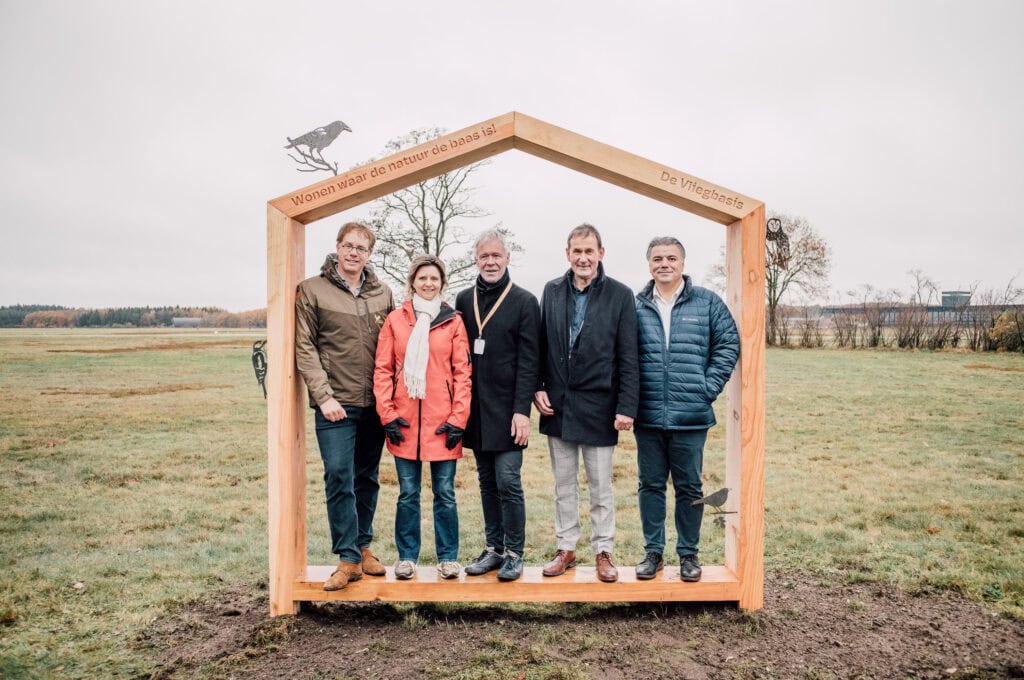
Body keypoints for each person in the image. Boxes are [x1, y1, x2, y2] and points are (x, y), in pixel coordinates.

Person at [533, 224, 639, 583]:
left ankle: (603, 551)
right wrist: (538, 386)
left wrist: (626, 407)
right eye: (576, 251)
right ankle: (566, 548)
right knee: (563, 486)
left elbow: (629, 357)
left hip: (600, 407)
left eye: (589, 251)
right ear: (567, 254)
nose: (582, 258)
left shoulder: (621, 295)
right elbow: (540, 346)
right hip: (558, 406)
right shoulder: (550, 291)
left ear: (601, 253)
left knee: (600, 487)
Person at [294, 221, 395, 591]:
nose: (354, 253)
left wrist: (391, 396)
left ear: (370, 253)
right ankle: (347, 558)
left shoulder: (383, 293)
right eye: (348, 245)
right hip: (335, 405)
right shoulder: (312, 290)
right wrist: (323, 396)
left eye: (362, 248)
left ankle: (364, 547)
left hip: (375, 405)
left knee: (367, 478)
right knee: (339, 475)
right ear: (337, 247)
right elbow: (304, 347)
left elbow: (393, 345)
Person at [633, 236, 739, 582]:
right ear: (649, 264)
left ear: (682, 262)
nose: (664, 264)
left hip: (690, 416)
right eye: (658, 258)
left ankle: (689, 555)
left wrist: (706, 389)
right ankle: (653, 553)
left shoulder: (707, 303)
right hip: (647, 414)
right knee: (650, 485)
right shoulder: (634, 306)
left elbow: (728, 343)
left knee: (690, 488)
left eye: (671, 258)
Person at [373, 255, 472, 580]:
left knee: (444, 492)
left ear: (442, 284)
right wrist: (387, 414)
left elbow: (462, 373)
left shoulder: (453, 321)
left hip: (443, 423)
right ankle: (407, 557)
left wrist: (459, 419)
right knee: (407, 493)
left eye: (434, 279)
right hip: (404, 422)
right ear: (412, 282)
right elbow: (383, 369)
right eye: (422, 278)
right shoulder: (396, 320)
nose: (428, 284)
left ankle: (447, 558)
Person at [455, 230, 541, 582]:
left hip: (509, 410)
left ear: (507, 258)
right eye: (483, 257)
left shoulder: (524, 301)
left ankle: (515, 553)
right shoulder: (463, 299)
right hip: (475, 410)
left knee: (508, 481)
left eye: (496, 256)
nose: (490, 262)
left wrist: (522, 409)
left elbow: (530, 360)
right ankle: (493, 548)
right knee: (486, 481)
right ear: (476, 260)